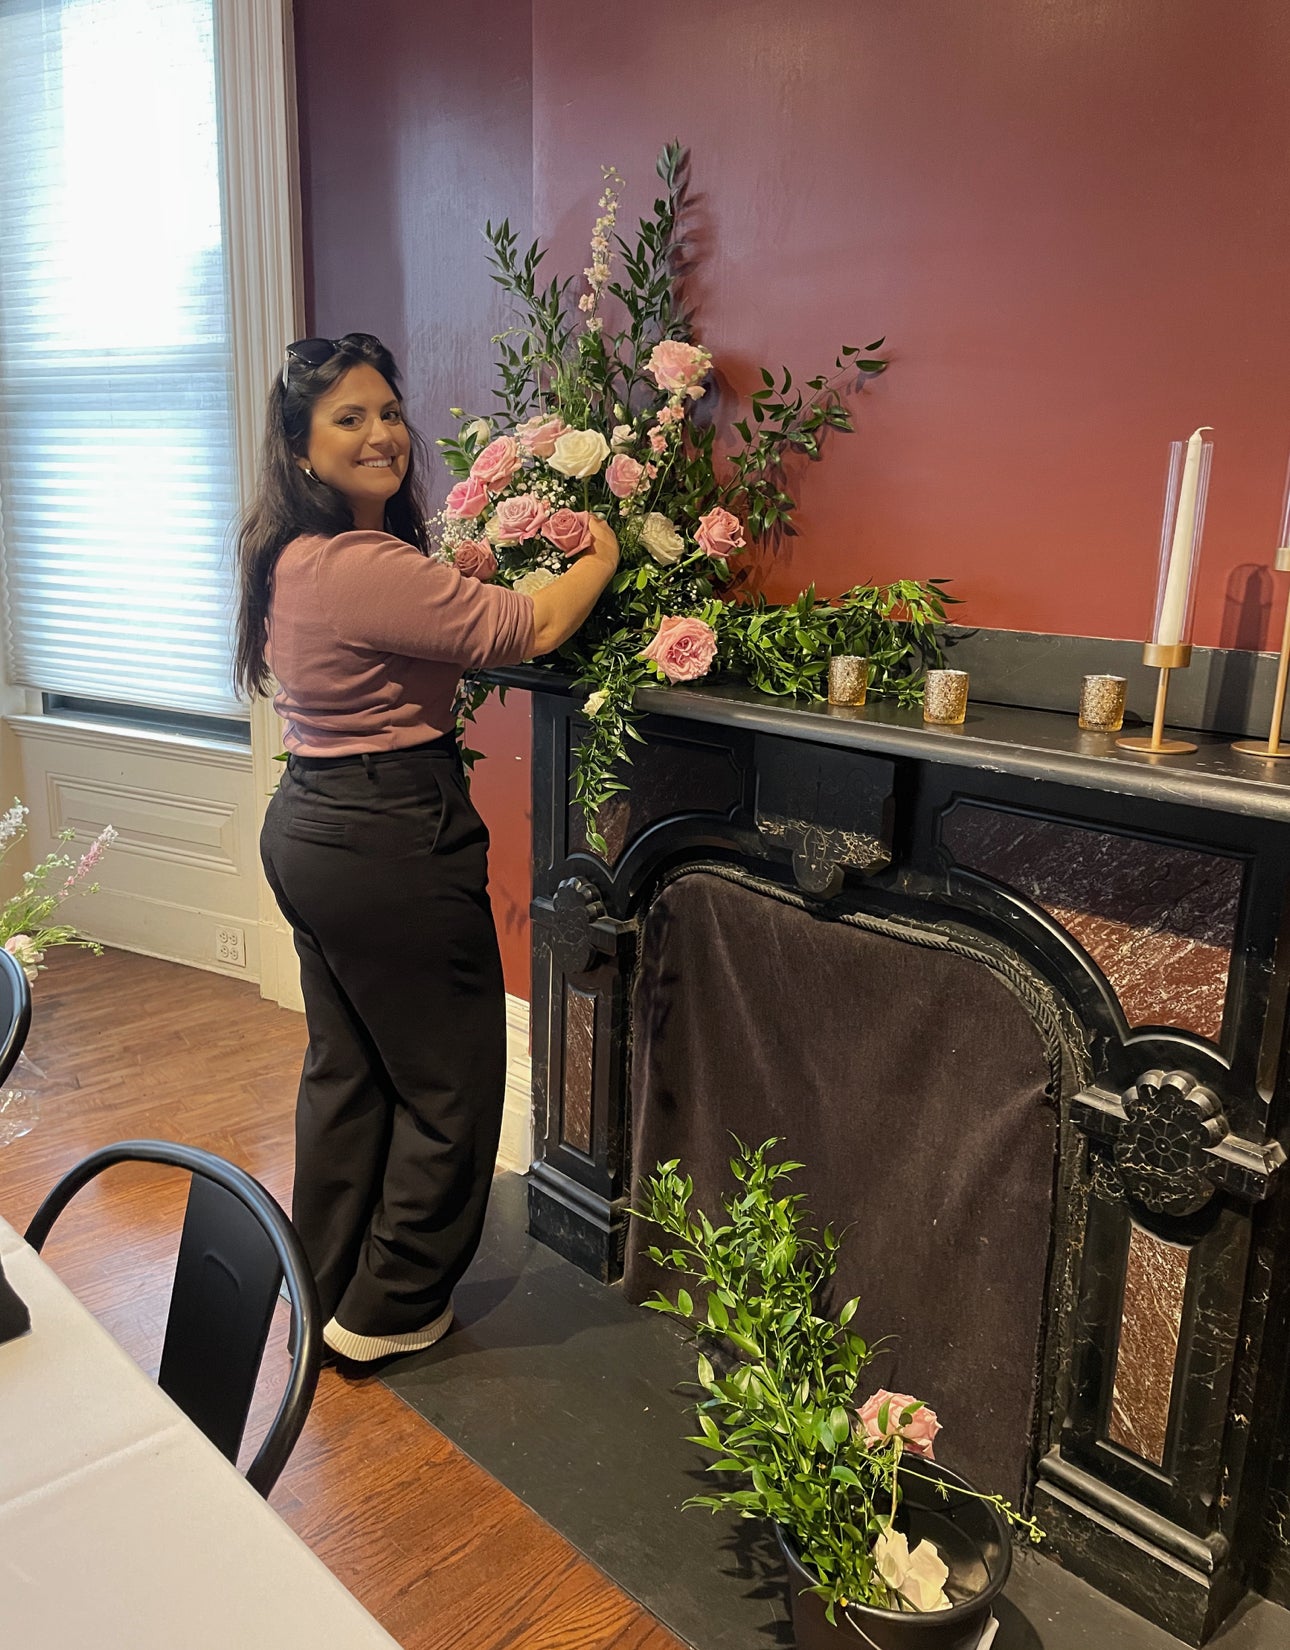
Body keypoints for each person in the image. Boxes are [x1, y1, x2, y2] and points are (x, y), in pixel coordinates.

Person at [234, 332, 618, 1364]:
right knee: (451, 1082)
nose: (382, 434)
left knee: (350, 1070)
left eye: (389, 413)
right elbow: (530, 628)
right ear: (301, 448)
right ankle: (391, 1307)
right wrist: (601, 556)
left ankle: (324, 1282)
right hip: (388, 833)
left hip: (317, 821)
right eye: (349, 419)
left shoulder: (293, 555)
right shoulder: (360, 563)